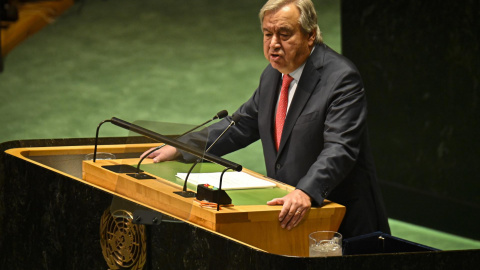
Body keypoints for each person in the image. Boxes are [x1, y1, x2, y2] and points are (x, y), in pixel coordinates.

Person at [143, 0, 390, 239]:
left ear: (310, 35)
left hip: (340, 221)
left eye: (284, 34)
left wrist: (306, 190)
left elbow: (340, 149)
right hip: (289, 215)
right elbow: (241, 125)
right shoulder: (273, 75)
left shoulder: (341, 79)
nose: (274, 44)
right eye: (267, 34)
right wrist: (182, 146)